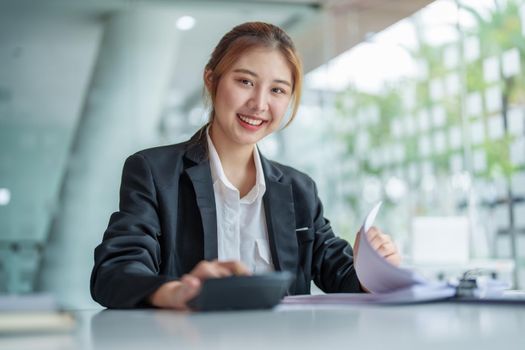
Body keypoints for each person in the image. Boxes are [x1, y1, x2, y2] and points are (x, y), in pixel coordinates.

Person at [90, 21, 401, 310]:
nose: (259, 103)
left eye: (277, 89)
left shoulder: (298, 188)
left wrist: (373, 267)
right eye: (245, 81)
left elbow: (341, 276)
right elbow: (114, 273)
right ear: (212, 80)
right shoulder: (154, 171)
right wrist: (176, 292)